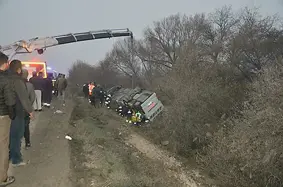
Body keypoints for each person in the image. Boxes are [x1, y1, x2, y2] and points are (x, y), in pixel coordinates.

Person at [9, 60, 33, 167]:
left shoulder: (6, 78)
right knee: (17, 136)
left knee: (10, 137)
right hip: (17, 112)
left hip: (7, 112)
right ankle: (16, 159)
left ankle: (9, 156)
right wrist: (30, 111)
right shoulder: (18, 81)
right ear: (19, 69)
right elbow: (24, 98)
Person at [0, 52, 16, 186]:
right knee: (2, 146)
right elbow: (10, 101)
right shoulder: (5, 80)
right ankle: (2, 177)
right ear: (5, 64)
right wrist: (12, 114)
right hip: (2, 116)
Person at [22, 69, 35, 149]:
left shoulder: (14, 84)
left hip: (16, 109)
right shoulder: (30, 85)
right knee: (26, 126)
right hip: (26, 109)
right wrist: (29, 106)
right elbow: (32, 97)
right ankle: (27, 142)